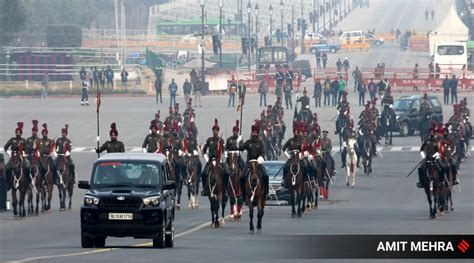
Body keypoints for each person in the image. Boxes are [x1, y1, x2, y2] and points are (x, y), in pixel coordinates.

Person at [238, 123, 269, 198]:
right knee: (242, 176)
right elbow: (241, 148)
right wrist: (240, 141)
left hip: (258, 163)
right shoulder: (248, 142)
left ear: (258, 133)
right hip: (249, 162)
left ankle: (266, 191)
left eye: (255, 132)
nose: (254, 134)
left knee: (265, 175)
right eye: (253, 132)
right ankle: (241, 192)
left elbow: (263, 152)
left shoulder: (260, 142)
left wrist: (260, 158)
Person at [200, 119, 228, 196]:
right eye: (214, 130)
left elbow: (224, 150)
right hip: (210, 160)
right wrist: (206, 159)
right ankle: (205, 190)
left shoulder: (221, 140)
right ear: (212, 131)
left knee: (226, 173)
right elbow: (204, 151)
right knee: (203, 174)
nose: (215, 132)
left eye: (216, 130)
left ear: (218, 131)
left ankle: (225, 190)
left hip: (219, 161)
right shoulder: (209, 140)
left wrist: (223, 157)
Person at [3, 122, 28, 191]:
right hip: (13, 156)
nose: (18, 133)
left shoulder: (23, 140)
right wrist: (9, 153)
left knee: (28, 167)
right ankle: (7, 184)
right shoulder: (12, 139)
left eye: (19, 132)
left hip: (20, 156)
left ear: (21, 133)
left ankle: (28, 183)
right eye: (17, 132)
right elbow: (5, 147)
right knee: (6, 169)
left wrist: (23, 153)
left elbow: (26, 149)